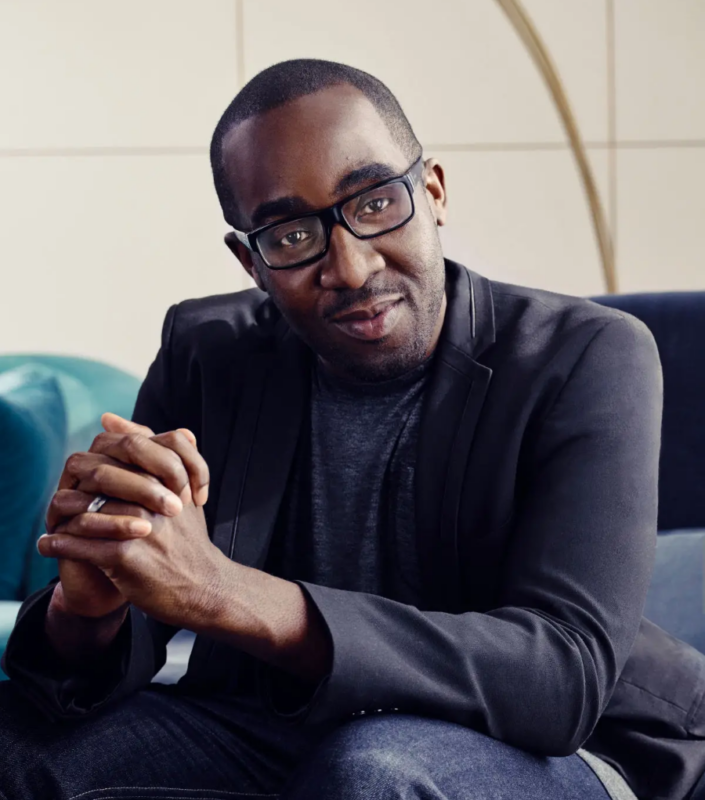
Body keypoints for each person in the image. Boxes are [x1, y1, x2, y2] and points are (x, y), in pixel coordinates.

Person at [1, 58, 704, 800]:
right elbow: (138, 620)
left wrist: (222, 592)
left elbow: (559, 676)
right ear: (251, 261)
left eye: (375, 203)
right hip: (279, 726)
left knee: (372, 773)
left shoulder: (588, 354)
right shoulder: (209, 353)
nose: (351, 265)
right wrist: (89, 610)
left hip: (564, 746)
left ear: (432, 192)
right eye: (291, 235)